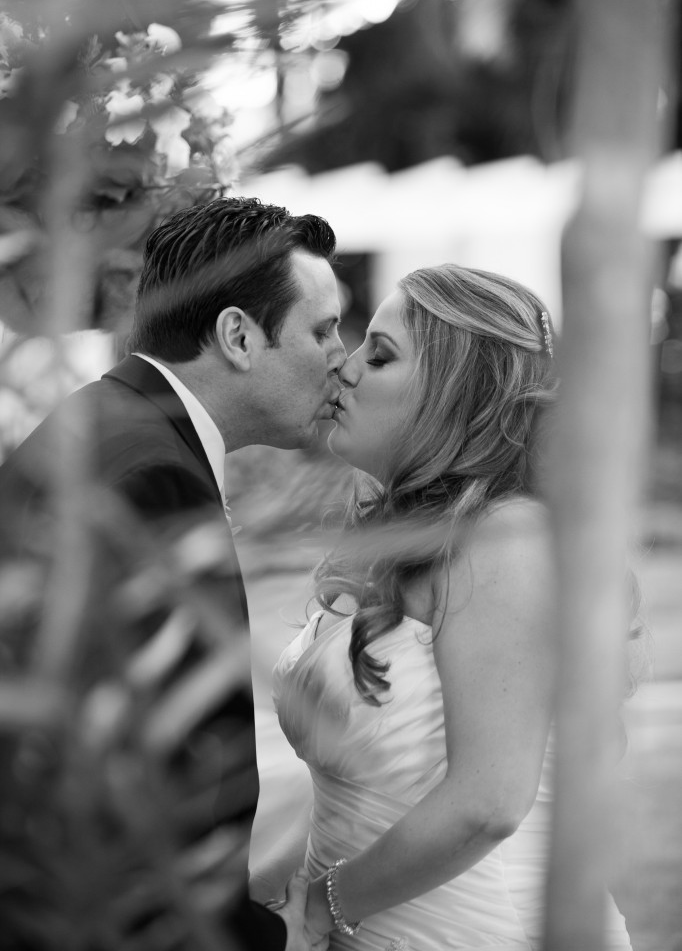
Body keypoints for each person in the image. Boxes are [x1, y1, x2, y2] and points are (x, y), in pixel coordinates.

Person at [0, 196, 346, 951]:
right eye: (323, 330)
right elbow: (161, 783)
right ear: (238, 336)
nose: (340, 356)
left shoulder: (107, 421)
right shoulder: (154, 475)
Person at [265, 265, 634, 950]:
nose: (342, 368)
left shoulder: (506, 540)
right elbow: (354, 790)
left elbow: (488, 803)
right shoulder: (402, 540)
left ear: (455, 392)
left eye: (379, 355)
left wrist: (320, 908)